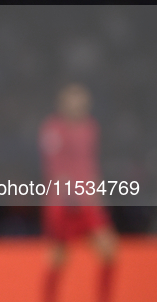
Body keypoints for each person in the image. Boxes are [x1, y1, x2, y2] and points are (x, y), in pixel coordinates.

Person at [39, 83, 118, 302]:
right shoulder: (53, 129)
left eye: (82, 101)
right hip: (62, 201)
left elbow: (89, 166)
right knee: (58, 257)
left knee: (109, 250)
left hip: (87, 201)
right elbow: (54, 167)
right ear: (62, 104)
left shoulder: (91, 128)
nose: (78, 105)